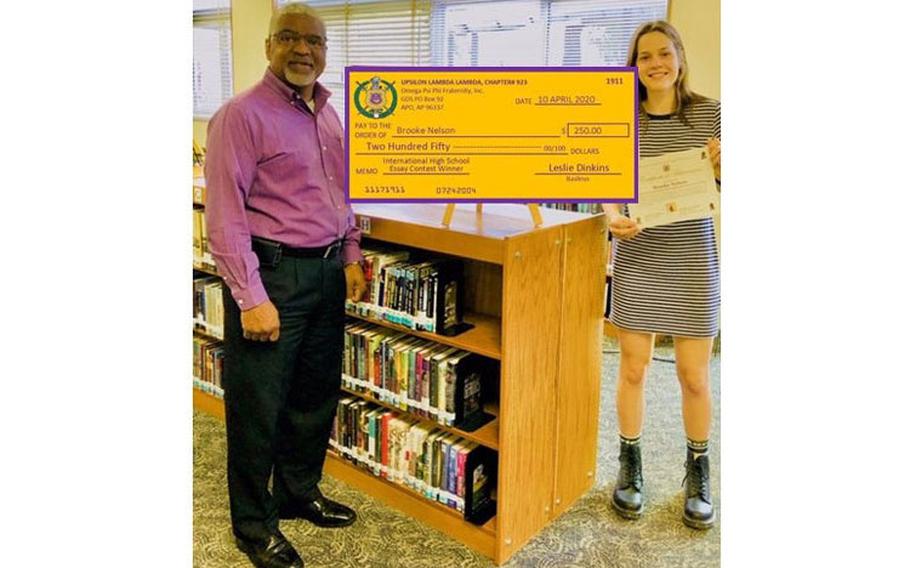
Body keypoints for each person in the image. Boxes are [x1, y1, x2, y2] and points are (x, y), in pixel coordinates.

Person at [204, 3, 367, 566]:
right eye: (291, 39)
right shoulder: (239, 116)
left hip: (325, 274)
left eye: (315, 42)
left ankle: (298, 493)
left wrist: (349, 252)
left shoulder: (329, 115)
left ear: (326, 52)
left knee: (313, 397)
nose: (304, 50)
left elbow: (343, 194)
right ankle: (253, 525)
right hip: (272, 277)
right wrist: (251, 298)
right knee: (258, 409)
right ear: (269, 46)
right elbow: (223, 218)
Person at [605, 20, 721, 530]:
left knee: (694, 376)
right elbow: (606, 187)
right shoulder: (619, 119)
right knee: (633, 369)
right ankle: (630, 465)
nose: (655, 63)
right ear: (633, 65)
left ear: (679, 56)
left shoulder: (711, 115)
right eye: (644, 55)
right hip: (639, 252)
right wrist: (612, 219)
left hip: (693, 257)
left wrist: (726, 166)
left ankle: (699, 469)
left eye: (663, 53)